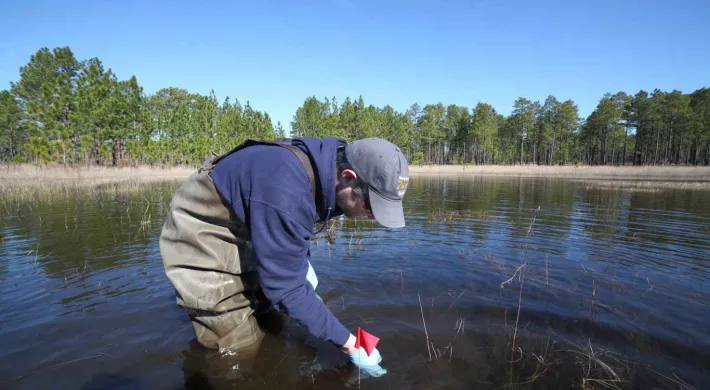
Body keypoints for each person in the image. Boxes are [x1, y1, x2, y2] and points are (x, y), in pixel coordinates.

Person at [159, 136, 410, 378]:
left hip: (254, 213)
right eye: (372, 205)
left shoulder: (335, 169)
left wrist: (301, 265)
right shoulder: (287, 189)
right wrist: (350, 345)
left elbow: (295, 226)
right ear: (348, 177)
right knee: (238, 347)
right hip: (205, 224)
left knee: (271, 313)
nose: (374, 217)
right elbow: (286, 289)